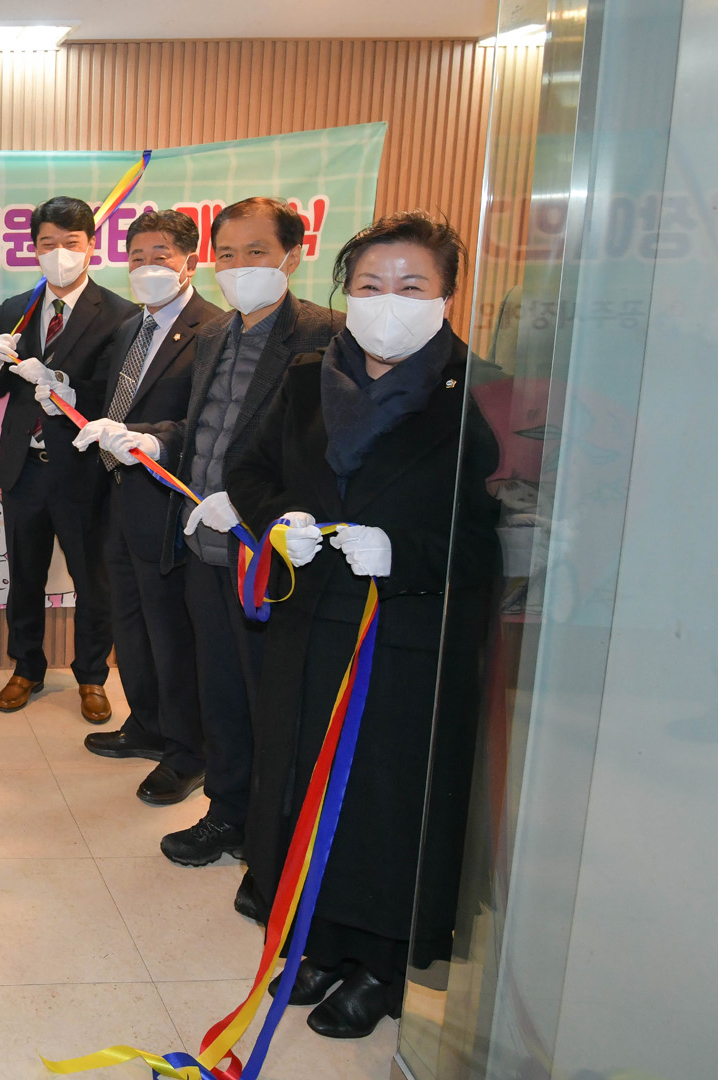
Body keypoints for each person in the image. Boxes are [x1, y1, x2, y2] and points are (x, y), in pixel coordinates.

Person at [228, 212, 500, 1038]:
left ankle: (379, 964)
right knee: (304, 783)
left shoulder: (479, 392)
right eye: (372, 285)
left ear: (447, 297)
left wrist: (405, 554)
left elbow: (498, 534)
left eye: (412, 286)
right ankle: (316, 939)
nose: (389, 303)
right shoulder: (310, 375)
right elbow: (249, 470)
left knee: (383, 797)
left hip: (408, 634)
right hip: (312, 620)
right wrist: (279, 522)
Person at [161, 198, 344, 909]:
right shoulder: (213, 334)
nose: (239, 268)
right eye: (227, 255)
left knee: (276, 703)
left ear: (293, 257)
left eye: (257, 252)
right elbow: (204, 428)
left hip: (270, 555)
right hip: (205, 547)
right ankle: (227, 813)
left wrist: (253, 502)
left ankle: (275, 845)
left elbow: (328, 455)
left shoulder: (326, 337)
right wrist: (155, 440)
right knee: (222, 694)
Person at [68, 210, 225, 805]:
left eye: (161, 256)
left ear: (190, 262)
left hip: (169, 503)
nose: (146, 267)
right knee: (130, 623)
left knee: (169, 631)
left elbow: (206, 422)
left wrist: (148, 440)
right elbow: (118, 398)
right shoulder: (133, 325)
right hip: (119, 497)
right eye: (137, 257)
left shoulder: (212, 329)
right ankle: (147, 724)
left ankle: (187, 751)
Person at [0, 196, 137, 722]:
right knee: (24, 576)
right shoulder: (16, 308)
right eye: (48, 243)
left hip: (83, 469)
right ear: (34, 249)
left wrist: (64, 385)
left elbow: (119, 394)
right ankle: (26, 668)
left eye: (71, 243)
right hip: (23, 468)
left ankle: (91, 676)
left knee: (94, 580)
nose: (60, 253)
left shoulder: (120, 314)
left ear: (91, 246)